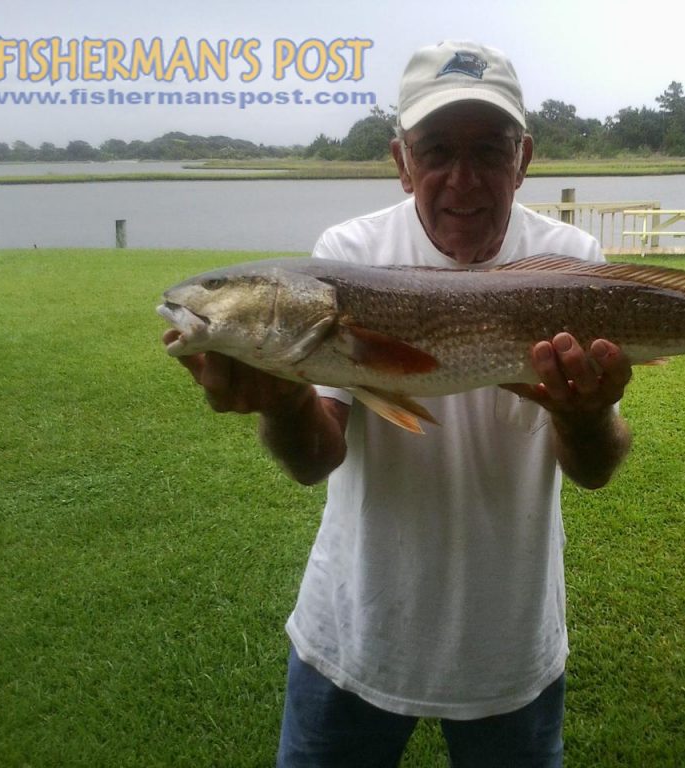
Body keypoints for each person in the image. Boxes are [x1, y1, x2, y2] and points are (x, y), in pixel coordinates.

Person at [165, 40, 632, 768]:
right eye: (436, 149)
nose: (463, 177)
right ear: (401, 159)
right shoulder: (347, 255)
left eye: (490, 149)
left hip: (508, 644)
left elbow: (597, 468)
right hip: (353, 632)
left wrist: (584, 413)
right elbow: (315, 459)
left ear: (525, 157)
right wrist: (285, 403)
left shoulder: (573, 264)